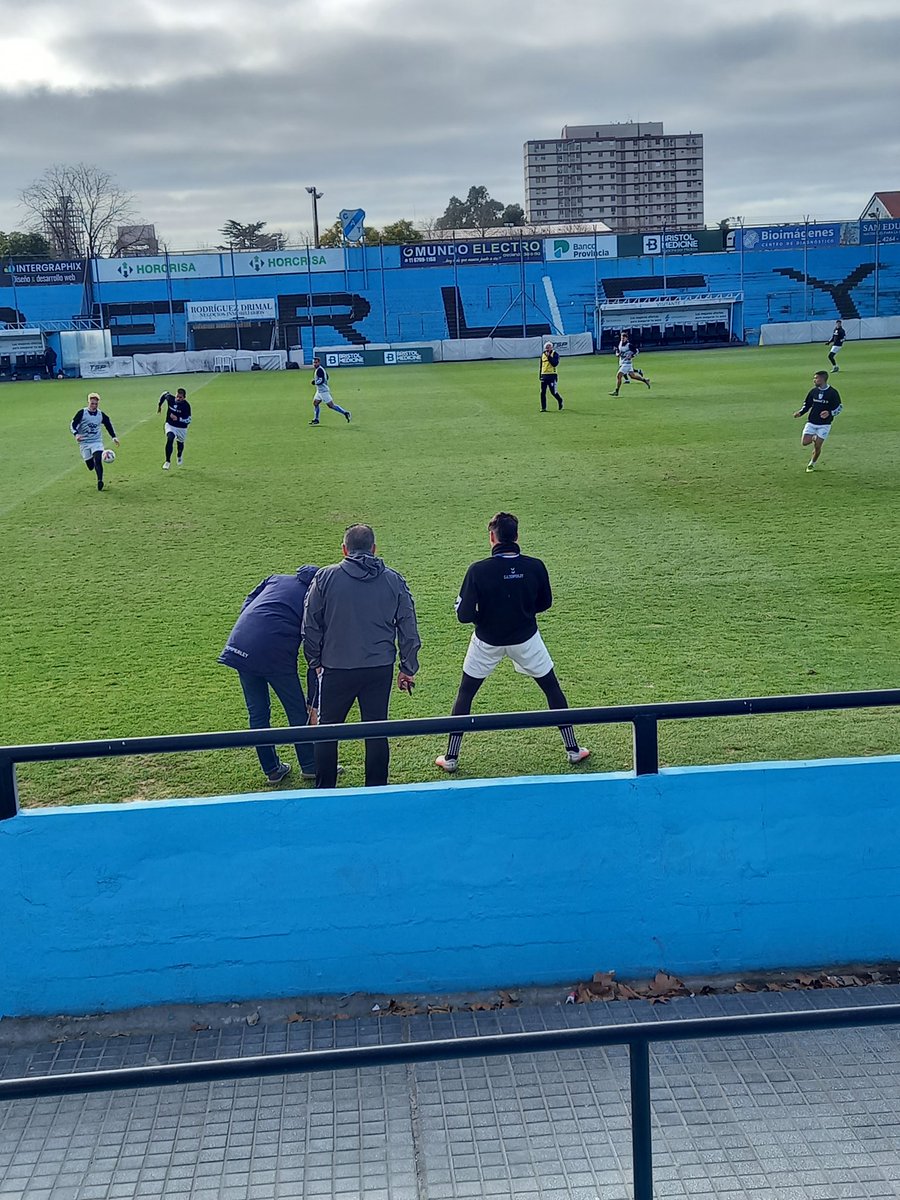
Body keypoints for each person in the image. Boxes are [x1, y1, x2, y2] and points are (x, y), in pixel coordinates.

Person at [435, 512, 590, 774]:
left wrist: (482, 617)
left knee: (466, 694)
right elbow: (545, 603)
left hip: (486, 641)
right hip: (527, 639)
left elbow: (463, 616)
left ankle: (450, 757)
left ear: (492, 538)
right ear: (517, 536)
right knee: (552, 688)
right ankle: (573, 749)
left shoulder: (478, 570)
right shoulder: (535, 566)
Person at [302, 524, 420, 788]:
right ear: (374, 549)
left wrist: (315, 662)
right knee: (377, 731)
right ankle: (376, 789)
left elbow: (310, 625)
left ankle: (325, 790)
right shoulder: (393, 579)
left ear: (345, 549)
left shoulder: (325, 578)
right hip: (378, 668)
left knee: (328, 731)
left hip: (335, 668)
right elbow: (408, 625)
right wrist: (408, 667)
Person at [219, 567, 321, 784]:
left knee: (257, 713)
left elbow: (249, 600)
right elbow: (313, 637)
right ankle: (310, 765)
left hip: (240, 645)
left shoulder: (275, 579)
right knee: (296, 710)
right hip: (275, 654)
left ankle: (272, 770)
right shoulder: (313, 597)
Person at [794, 370, 842, 472]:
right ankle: (814, 437)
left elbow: (839, 407)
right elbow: (807, 404)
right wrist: (800, 413)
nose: (814, 380)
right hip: (811, 422)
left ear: (822, 379)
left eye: (816, 378)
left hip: (825, 424)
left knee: (817, 446)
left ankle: (812, 463)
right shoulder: (813, 392)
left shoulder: (833, 393)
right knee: (804, 442)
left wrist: (830, 412)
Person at [70, 392, 119, 492]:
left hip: (96, 441)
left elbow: (108, 423)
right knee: (90, 466)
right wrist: (76, 434)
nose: (94, 406)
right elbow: (73, 424)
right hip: (84, 442)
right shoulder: (82, 413)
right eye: (92, 403)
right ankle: (91, 460)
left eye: (96, 404)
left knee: (98, 459)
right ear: (88, 402)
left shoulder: (100, 414)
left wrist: (113, 437)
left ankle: (100, 480)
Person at [309, 358, 351, 425]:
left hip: (324, 392)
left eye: (316, 362)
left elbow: (321, 380)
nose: (314, 364)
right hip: (319, 391)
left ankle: (345, 413)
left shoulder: (319, 370)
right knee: (315, 403)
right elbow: (327, 377)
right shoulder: (320, 369)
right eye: (314, 362)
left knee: (331, 406)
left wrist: (315, 382)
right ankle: (316, 419)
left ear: (319, 362)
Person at [157, 387, 192, 469]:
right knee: (170, 438)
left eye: (180, 397)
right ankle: (167, 461)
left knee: (180, 443)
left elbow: (188, 420)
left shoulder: (186, 406)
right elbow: (164, 394)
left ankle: (179, 455)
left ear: (184, 398)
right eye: (177, 396)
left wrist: (178, 419)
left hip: (181, 427)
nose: (178, 399)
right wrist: (159, 405)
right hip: (170, 425)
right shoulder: (171, 399)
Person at [610, 332, 651, 396]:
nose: (622, 339)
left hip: (627, 363)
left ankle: (616, 391)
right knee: (632, 376)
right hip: (622, 362)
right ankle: (645, 380)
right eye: (621, 338)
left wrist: (632, 356)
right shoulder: (620, 343)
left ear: (626, 338)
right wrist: (617, 354)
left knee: (619, 375)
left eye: (624, 338)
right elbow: (618, 351)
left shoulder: (629, 345)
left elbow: (636, 351)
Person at [539, 342, 565, 412]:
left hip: (552, 375)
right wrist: (540, 375)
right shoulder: (543, 354)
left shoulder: (555, 354)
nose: (547, 348)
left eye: (549, 347)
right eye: (546, 347)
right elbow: (541, 366)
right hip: (544, 375)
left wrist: (549, 357)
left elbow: (555, 364)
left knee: (553, 392)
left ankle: (560, 400)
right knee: (542, 392)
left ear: (552, 347)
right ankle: (543, 407)